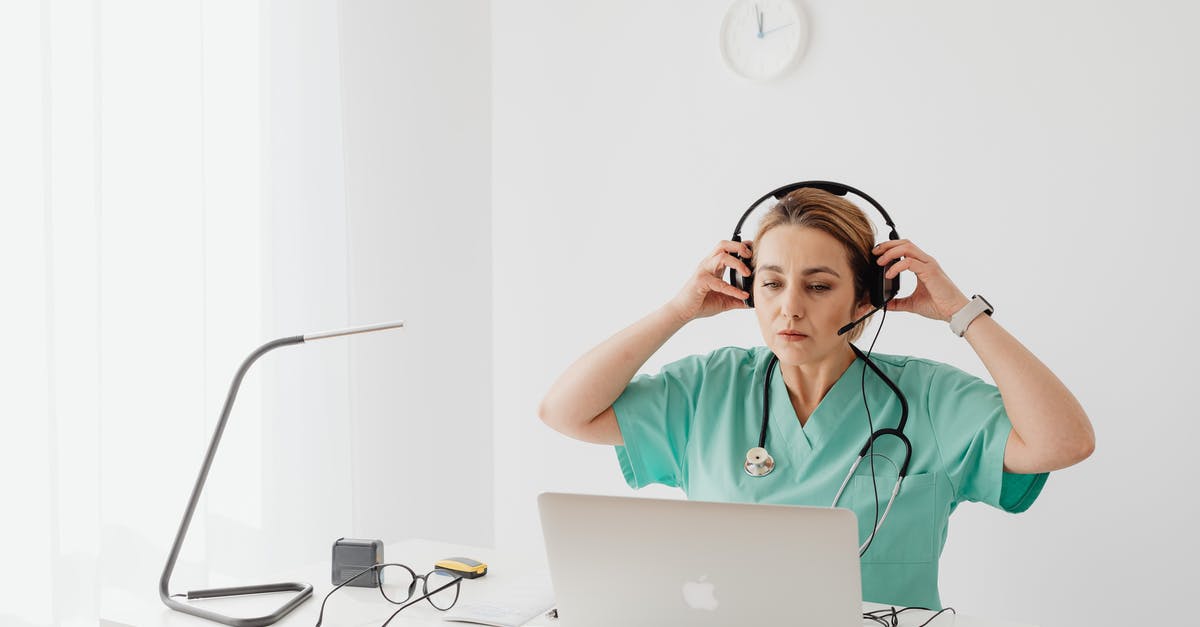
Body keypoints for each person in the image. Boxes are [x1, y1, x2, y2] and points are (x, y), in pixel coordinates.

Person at [537, 186, 1095, 609]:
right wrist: (678, 310)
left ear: (866, 300)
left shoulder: (925, 397)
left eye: (820, 285)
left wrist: (959, 311)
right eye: (772, 283)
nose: (790, 308)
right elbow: (564, 412)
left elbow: (1062, 441)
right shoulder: (710, 388)